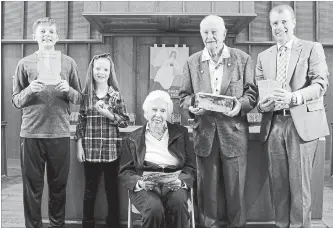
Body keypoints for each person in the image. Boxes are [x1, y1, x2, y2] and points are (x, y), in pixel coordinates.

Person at [179, 15, 258, 228]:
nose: (210, 36)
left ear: (224, 34)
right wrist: (191, 106)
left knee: (236, 191)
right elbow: (184, 96)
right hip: (204, 135)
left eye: (214, 32)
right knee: (207, 193)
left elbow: (252, 95)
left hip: (234, 133)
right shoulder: (192, 61)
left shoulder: (242, 59)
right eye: (205, 32)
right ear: (201, 35)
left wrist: (239, 105)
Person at [256, 5, 329, 228]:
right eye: (275, 24)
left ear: (294, 22)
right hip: (273, 124)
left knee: (300, 188)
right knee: (278, 186)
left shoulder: (311, 48)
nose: (279, 27)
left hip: (301, 124)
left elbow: (320, 84)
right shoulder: (263, 56)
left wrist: (293, 98)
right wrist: (262, 104)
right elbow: (260, 95)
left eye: (284, 22)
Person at [12, 17, 82, 228]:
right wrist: (29, 90)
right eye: (42, 31)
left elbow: (80, 97)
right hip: (31, 133)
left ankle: (57, 225)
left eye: (51, 31)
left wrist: (67, 89)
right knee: (32, 188)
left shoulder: (69, 63)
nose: (47, 35)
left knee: (58, 186)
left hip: (60, 133)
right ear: (35, 36)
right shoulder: (23, 63)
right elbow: (15, 100)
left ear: (57, 36)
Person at [119, 90, 196, 228]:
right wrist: (140, 183)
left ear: (168, 114)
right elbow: (125, 171)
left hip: (174, 183)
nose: (158, 115)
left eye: (163, 110)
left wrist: (181, 181)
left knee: (178, 205)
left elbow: (191, 166)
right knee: (154, 209)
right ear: (146, 113)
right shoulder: (133, 137)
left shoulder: (181, 133)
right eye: (154, 110)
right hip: (146, 186)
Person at [75, 53, 130, 228]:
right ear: (92, 70)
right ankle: (87, 224)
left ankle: (113, 224)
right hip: (89, 150)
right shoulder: (86, 96)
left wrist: (109, 114)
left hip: (110, 152)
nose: (101, 72)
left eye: (105, 69)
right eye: (98, 68)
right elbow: (81, 122)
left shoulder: (115, 95)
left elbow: (124, 121)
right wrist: (79, 146)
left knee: (112, 191)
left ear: (110, 72)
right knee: (89, 191)